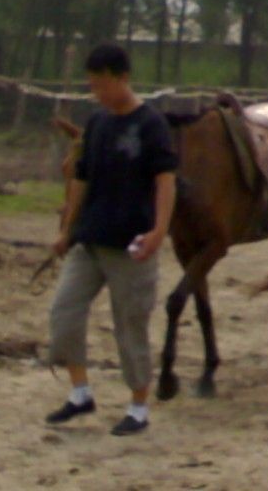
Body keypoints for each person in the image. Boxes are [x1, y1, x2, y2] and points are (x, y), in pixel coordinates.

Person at [45, 43, 178, 436]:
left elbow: (165, 180)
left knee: (129, 326)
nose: (97, 93)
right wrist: (67, 229)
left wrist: (159, 230)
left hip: (131, 246)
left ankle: (138, 407)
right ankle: (80, 393)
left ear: (123, 79)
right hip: (90, 241)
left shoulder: (151, 125)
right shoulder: (98, 124)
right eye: (93, 86)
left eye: (102, 85)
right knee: (64, 312)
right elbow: (81, 179)